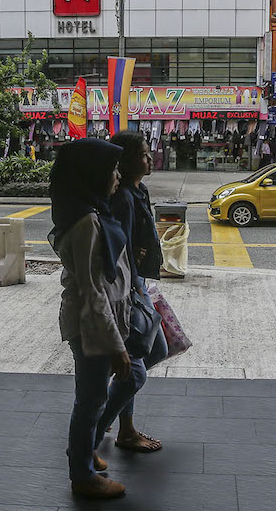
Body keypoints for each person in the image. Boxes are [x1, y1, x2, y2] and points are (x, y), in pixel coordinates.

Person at [48, 139, 131, 500]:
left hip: (95, 320)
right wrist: (116, 346)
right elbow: (92, 290)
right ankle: (81, 475)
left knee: (93, 396)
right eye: (112, 169)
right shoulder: (86, 222)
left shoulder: (91, 211)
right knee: (91, 399)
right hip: (89, 324)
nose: (117, 176)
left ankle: (83, 456)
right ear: (92, 175)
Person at [105, 131, 168, 453]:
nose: (149, 158)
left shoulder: (138, 191)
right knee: (134, 368)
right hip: (128, 288)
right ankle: (103, 425)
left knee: (156, 350)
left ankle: (118, 419)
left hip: (138, 283)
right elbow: (122, 250)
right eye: (144, 154)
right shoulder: (125, 198)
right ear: (126, 161)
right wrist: (132, 292)